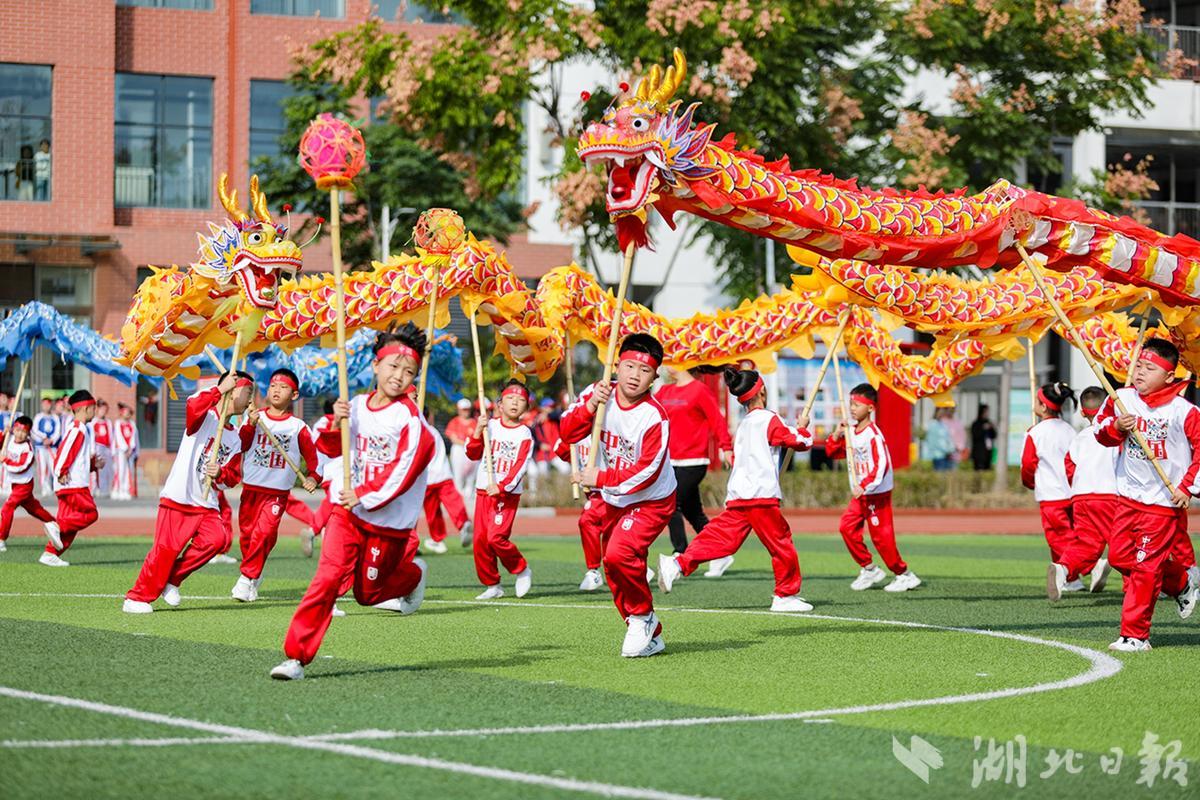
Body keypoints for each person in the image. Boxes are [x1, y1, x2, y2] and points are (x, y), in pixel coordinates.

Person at [272, 326, 435, 681]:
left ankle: (412, 576)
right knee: (327, 579)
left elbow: (404, 471)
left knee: (367, 592)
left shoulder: (412, 421)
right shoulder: (356, 405)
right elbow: (330, 449)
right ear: (376, 367)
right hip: (347, 514)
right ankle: (296, 657)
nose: (399, 377)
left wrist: (365, 494)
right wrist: (335, 421)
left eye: (408, 372)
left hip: (387, 523)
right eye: (393, 367)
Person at [658, 367, 815, 611]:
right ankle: (785, 595)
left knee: (722, 541)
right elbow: (799, 441)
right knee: (781, 542)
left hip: (739, 495)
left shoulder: (745, 424)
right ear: (762, 389)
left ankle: (678, 563)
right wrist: (803, 428)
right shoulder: (768, 418)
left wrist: (795, 431)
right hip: (761, 496)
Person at [561, 333, 677, 658]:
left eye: (644, 370)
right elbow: (568, 433)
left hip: (651, 499)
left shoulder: (655, 417)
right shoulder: (599, 394)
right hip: (615, 497)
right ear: (617, 364)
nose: (634, 375)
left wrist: (600, 477)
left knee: (618, 554)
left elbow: (647, 472)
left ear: (655, 376)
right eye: (628, 366)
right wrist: (588, 406)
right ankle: (647, 629)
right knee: (614, 567)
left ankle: (642, 615)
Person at [1090, 339, 1200, 651]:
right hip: (1127, 497)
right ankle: (1181, 582)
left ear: (1168, 376)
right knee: (1119, 557)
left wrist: (1187, 488)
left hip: (1163, 504)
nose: (1139, 372)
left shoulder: (1185, 411)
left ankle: (1135, 635)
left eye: (1149, 368)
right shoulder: (1121, 399)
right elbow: (1100, 433)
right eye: (1139, 364)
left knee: (1145, 567)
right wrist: (1117, 428)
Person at [123, 372, 251, 613]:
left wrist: (220, 473)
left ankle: (173, 578)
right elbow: (192, 405)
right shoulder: (205, 414)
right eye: (248, 392)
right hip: (179, 496)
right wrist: (219, 389)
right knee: (165, 550)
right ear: (233, 390)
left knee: (218, 539)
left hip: (206, 502)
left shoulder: (234, 436)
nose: (251, 399)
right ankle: (136, 598)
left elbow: (232, 478)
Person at [232, 368, 319, 603]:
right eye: (272, 385)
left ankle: (245, 577)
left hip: (277, 493)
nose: (276, 390)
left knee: (265, 532)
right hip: (251, 489)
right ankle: (254, 576)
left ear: (294, 394)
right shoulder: (254, 416)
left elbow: (313, 458)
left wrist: (313, 477)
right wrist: (249, 425)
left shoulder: (298, 427)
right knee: (249, 537)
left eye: (283, 387)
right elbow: (241, 444)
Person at [827, 383, 920, 592]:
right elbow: (834, 453)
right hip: (861, 495)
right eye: (851, 404)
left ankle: (904, 574)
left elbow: (883, 465)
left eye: (857, 405)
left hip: (876, 494)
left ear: (870, 408)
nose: (852, 409)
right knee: (846, 527)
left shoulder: (874, 435)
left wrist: (865, 485)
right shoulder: (850, 432)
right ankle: (869, 568)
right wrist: (836, 436)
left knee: (882, 538)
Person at [654, 367, 732, 559]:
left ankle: (680, 552)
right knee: (693, 511)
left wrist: (727, 447)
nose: (666, 364)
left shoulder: (699, 390)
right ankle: (720, 553)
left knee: (669, 504)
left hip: (693, 460)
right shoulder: (664, 391)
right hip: (670, 461)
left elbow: (717, 420)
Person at [466, 380, 534, 599]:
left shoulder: (524, 434)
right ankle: (492, 584)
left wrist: (503, 486)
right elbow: (472, 454)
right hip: (483, 490)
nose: (515, 403)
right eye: (510, 398)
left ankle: (521, 568)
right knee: (480, 541)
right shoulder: (490, 426)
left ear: (526, 407)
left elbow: (520, 465)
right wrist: (477, 430)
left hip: (506, 493)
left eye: (521, 400)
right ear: (500, 403)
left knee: (496, 538)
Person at [1047, 386, 1117, 598]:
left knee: (1085, 543)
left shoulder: (1081, 437)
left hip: (1082, 495)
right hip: (1110, 495)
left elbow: (1070, 466)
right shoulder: (1118, 432)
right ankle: (1139, 586)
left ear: (1083, 412)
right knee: (1122, 543)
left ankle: (1064, 568)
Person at [1021, 381, 1080, 582]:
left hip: (1050, 494)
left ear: (1043, 406)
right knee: (1069, 533)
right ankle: (1071, 580)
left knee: (1058, 538)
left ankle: (1084, 564)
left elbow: (1028, 464)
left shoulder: (1035, 433)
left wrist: (1029, 483)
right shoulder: (1070, 430)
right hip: (1072, 491)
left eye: (1036, 400)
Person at [43, 390, 103, 567]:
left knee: (73, 523)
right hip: (73, 485)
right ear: (85, 408)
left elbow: (76, 458)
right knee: (90, 514)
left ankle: (50, 553)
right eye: (93, 407)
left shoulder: (78, 428)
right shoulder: (78, 428)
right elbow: (65, 452)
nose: (95, 411)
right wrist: (60, 471)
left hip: (69, 483)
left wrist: (93, 465)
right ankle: (57, 527)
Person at [0, 415, 59, 553]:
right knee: (35, 509)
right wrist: (4, 434)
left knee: (7, 508)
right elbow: (1, 444)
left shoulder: (28, 449)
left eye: (23, 432)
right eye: (17, 430)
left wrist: (5, 461)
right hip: (15, 484)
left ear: (28, 434)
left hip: (24, 486)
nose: (19, 434)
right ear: (14, 429)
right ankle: (56, 524)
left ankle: (1, 539)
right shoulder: (10, 438)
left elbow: (20, 467)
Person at [554, 435, 605, 591]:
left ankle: (594, 571)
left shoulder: (607, 428)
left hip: (609, 490)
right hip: (593, 493)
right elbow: (560, 450)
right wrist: (570, 430)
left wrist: (583, 475)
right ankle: (638, 567)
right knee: (612, 532)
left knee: (587, 521)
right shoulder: (579, 433)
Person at [415, 421, 472, 555]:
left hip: (426, 478)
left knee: (431, 512)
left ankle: (436, 538)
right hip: (443, 474)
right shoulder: (434, 431)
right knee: (453, 502)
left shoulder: (416, 430)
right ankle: (462, 523)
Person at [299, 401, 336, 557]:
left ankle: (322, 534)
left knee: (335, 507)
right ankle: (314, 530)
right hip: (332, 471)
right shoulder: (326, 422)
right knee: (333, 503)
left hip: (333, 471)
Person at [445, 397, 477, 505]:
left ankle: (469, 497)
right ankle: (458, 498)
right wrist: (466, 443)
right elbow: (453, 438)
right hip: (459, 450)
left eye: (467, 409)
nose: (466, 411)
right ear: (459, 410)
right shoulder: (454, 422)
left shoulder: (474, 422)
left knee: (471, 475)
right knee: (458, 475)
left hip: (471, 450)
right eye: (464, 409)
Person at [32, 397, 63, 498]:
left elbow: (58, 432)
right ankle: (44, 488)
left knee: (53, 467)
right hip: (41, 447)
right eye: (44, 404)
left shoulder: (55, 417)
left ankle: (55, 487)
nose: (46, 406)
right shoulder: (38, 417)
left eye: (48, 404)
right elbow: (34, 430)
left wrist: (51, 440)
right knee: (42, 468)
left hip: (52, 447)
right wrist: (43, 439)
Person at [112, 403, 139, 499]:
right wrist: (124, 448)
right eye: (126, 412)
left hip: (130, 452)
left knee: (129, 471)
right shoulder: (118, 423)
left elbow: (133, 438)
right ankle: (119, 489)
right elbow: (118, 437)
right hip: (121, 451)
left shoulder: (132, 424)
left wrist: (131, 449)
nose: (127, 414)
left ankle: (126, 489)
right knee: (120, 470)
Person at [90, 400, 114, 497]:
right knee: (96, 470)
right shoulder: (93, 422)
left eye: (105, 409)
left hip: (106, 448)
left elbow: (111, 436)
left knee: (106, 470)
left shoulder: (108, 422)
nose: (103, 411)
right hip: (97, 448)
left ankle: (104, 489)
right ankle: (94, 488)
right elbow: (91, 436)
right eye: (101, 409)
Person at [970, 404, 996, 471]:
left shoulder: (989, 422)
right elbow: (975, 436)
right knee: (979, 470)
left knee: (987, 470)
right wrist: (983, 428)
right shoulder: (976, 424)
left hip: (988, 452)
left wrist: (992, 427)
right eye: (986, 411)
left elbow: (994, 435)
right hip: (979, 453)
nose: (987, 413)